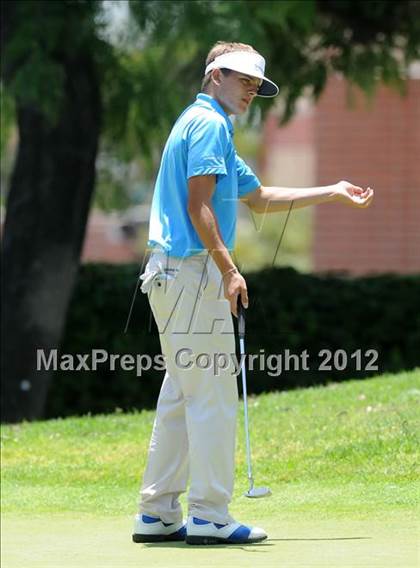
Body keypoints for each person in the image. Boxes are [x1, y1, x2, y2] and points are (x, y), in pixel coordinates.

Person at [132, 41, 374, 546]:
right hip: (190, 272)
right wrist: (229, 268)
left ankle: (157, 512)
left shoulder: (211, 128)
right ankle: (210, 515)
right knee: (214, 394)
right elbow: (200, 205)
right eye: (243, 80)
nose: (250, 91)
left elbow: (259, 198)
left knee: (182, 392)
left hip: (172, 275)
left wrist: (331, 190)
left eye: (255, 86)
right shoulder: (208, 125)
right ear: (215, 74)